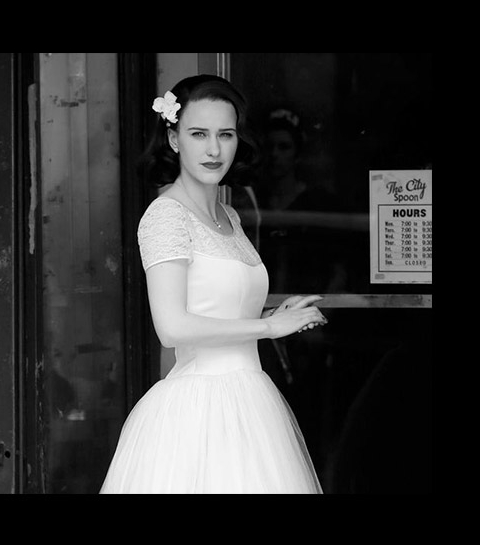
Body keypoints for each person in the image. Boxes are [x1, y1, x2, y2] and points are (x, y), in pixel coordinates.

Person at [99, 75, 327, 494]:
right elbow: (172, 327)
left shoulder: (230, 216)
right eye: (198, 134)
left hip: (250, 401)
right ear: (174, 139)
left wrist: (272, 314)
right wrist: (268, 328)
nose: (214, 149)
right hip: (198, 409)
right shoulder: (166, 216)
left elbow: (217, 306)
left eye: (225, 134)